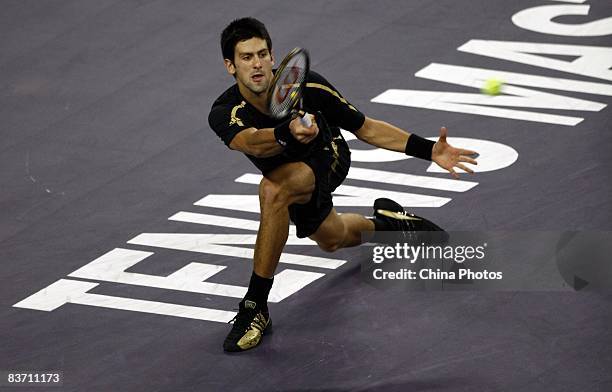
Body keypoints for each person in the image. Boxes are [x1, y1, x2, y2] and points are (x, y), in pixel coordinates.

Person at [208, 17, 477, 352]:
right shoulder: (224, 112)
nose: (257, 63)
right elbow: (250, 142)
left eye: (262, 53)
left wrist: (428, 149)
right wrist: (286, 133)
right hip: (287, 173)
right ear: (230, 66)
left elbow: (365, 128)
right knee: (332, 239)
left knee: (272, 191)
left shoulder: (310, 88)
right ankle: (391, 224)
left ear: (273, 57)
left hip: (327, 157)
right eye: (246, 57)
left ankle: (255, 307)